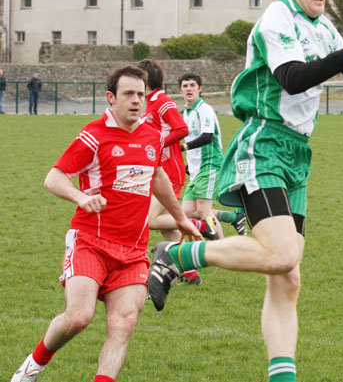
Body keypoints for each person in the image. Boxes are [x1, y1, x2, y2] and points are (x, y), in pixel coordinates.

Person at [147, 0, 343, 381]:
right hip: (265, 143)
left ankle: (282, 377)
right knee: (283, 253)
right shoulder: (277, 18)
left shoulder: (323, 26)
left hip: (298, 153)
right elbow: (292, 77)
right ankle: (179, 253)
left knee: (288, 276)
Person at [11, 65, 200, 382]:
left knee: (123, 323)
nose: (136, 100)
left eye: (140, 94)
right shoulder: (94, 135)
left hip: (134, 250)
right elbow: (53, 177)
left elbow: (156, 175)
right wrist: (81, 197)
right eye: (128, 94)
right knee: (79, 317)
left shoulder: (152, 136)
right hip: (90, 242)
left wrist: (180, 218)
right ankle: (34, 364)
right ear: (111, 98)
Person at [137, 58, 202, 284]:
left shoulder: (163, 102)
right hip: (155, 172)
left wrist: (157, 142)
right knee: (167, 229)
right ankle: (190, 273)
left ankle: (196, 223)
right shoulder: (149, 103)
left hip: (169, 173)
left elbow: (182, 129)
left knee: (151, 220)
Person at [179, 72, 246, 236]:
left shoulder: (205, 109)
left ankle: (223, 248)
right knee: (185, 212)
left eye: (192, 85)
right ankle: (233, 217)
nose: (189, 89)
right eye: (185, 86)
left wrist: (182, 148)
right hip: (197, 170)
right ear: (180, 90)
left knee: (203, 212)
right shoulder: (185, 113)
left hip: (209, 165)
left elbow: (207, 137)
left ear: (200, 88)